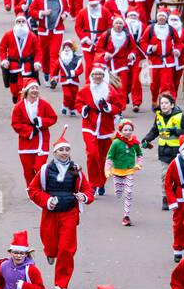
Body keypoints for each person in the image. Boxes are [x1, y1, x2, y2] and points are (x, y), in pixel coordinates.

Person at [27, 130, 93, 289]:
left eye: (67, 150)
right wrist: (47, 200)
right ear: (54, 152)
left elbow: (88, 190)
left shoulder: (76, 170)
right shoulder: (45, 170)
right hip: (50, 214)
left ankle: (61, 284)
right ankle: (50, 253)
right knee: (50, 243)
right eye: (61, 150)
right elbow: (33, 190)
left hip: (69, 212)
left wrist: (83, 196)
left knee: (66, 249)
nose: (64, 153)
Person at [75, 60, 125, 193]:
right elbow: (78, 103)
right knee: (92, 154)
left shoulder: (110, 90)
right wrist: (84, 109)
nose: (97, 76)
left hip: (105, 127)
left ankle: (101, 182)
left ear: (103, 76)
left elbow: (119, 107)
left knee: (104, 156)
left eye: (99, 74)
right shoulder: (85, 89)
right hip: (89, 125)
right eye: (95, 74)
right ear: (91, 76)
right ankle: (93, 183)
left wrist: (108, 107)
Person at [141, 93, 184, 210]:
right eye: (162, 103)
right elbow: (155, 130)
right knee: (165, 176)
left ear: (172, 105)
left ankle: (178, 197)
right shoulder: (158, 116)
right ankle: (166, 198)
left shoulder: (179, 116)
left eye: (166, 103)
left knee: (178, 176)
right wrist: (146, 139)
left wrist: (175, 131)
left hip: (178, 152)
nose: (163, 105)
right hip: (164, 151)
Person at [11, 78, 57, 186]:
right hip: (25, 142)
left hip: (42, 140)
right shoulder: (19, 106)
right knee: (28, 171)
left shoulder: (44, 104)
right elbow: (15, 124)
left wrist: (41, 121)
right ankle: (31, 189)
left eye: (36, 88)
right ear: (27, 90)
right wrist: (30, 131)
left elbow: (53, 118)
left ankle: (41, 186)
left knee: (39, 167)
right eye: (32, 88)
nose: (35, 90)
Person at [104, 117, 143, 226]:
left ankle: (126, 216)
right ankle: (118, 191)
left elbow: (140, 154)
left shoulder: (134, 142)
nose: (128, 132)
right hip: (117, 171)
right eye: (125, 130)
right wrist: (107, 170)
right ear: (121, 131)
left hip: (129, 170)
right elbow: (109, 157)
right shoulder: (116, 143)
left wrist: (139, 163)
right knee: (118, 193)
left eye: (130, 130)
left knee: (128, 193)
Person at [0, 14, 40, 103]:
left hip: (27, 67)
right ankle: (15, 96)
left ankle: (21, 105)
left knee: (24, 89)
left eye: (23, 21)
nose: (21, 24)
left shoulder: (32, 35)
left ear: (25, 23)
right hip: (13, 67)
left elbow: (38, 51)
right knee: (14, 89)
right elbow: (2, 48)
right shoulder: (8, 35)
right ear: (15, 23)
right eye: (18, 22)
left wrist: (37, 62)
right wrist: (4, 60)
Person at [58, 36, 84, 116]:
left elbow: (81, 69)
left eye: (68, 47)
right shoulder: (60, 59)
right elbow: (55, 68)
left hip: (74, 81)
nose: (66, 49)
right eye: (65, 47)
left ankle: (72, 108)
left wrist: (75, 73)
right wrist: (54, 78)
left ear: (72, 49)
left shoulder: (77, 59)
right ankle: (65, 106)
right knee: (67, 95)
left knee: (74, 96)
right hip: (64, 80)